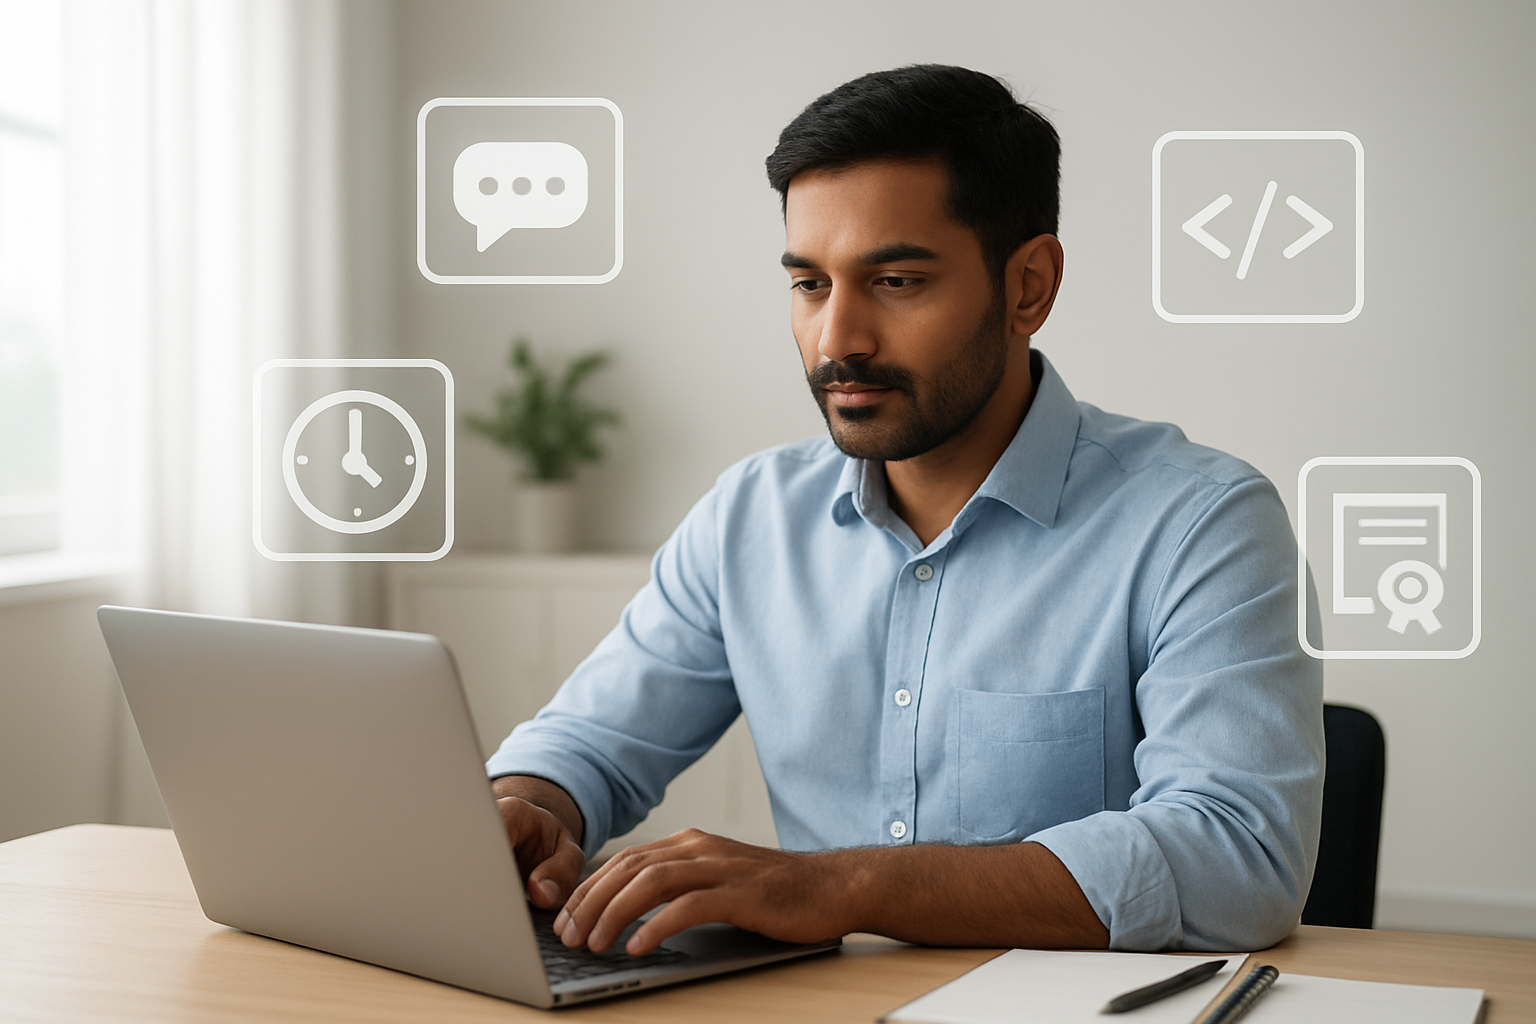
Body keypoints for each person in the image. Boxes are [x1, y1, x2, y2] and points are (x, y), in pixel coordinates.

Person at [485, 64, 1323, 958]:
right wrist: (532, 806)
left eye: (894, 281)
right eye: (810, 284)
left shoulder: (1203, 525)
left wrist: (840, 886)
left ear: (1029, 286)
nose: (837, 339)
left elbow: (1239, 859)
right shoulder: (750, 519)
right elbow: (591, 742)